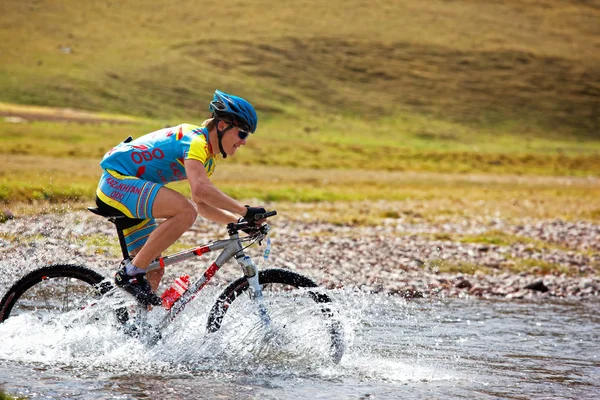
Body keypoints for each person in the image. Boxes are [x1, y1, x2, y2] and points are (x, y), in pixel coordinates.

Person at [94, 90, 267, 306]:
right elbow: (200, 191)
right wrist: (244, 211)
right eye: (242, 134)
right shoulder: (195, 141)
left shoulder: (208, 159)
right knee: (185, 212)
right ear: (222, 126)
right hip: (116, 183)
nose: (244, 142)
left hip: (129, 190)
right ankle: (130, 274)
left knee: (153, 271)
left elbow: (203, 206)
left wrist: (238, 222)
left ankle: (136, 330)